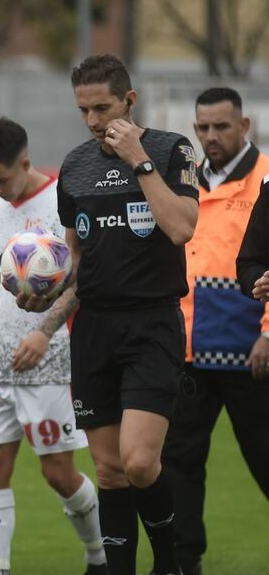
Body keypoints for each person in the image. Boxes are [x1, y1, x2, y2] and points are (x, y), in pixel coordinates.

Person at [46, 54, 199, 575]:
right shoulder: (74, 165)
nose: (92, 121)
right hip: (93, 329)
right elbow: (74, 259)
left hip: (152, 323)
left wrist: (139, 160)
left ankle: (169, 564)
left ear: (129, 101)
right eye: (83, 110)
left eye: (103, 108)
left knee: (138, 461)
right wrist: (42, 291)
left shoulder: (171, 149)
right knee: (110, 472)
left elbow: (181, 228)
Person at [0, 118, 107, 575]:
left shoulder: (59, 205)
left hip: (49, 364)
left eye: (2, 179)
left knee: (58, 475)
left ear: (25, 162)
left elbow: (82, 278)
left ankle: (98, 555)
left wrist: (44, 331)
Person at [165, 87, 269, 575]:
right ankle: (184, 561)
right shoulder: (186, 181)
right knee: (179, 463)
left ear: (244, 127)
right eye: (202, 127)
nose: (211, 136)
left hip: (251, 349)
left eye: (221, 126)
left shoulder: (265, 179)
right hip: (190, 349)